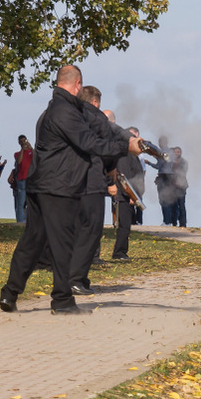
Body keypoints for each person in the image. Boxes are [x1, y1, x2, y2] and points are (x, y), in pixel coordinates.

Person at [0, 65, 141, 315]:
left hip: (44, 184)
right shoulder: (64, 111)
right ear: (78, 84)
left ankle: (9, 294)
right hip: (57, 186)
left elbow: (101, 124)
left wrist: (127, 138)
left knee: (33, 241)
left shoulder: (62, 108)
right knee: (62, 243)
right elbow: (89, 142)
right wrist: (125, 148)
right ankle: (62, 300)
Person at [67, 85, 130, 295]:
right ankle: (76, 279)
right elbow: (108, 146)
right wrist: (111, 173)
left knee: (75, 229)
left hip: (70, 179)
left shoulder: (70, 116)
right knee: (91, 231)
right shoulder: (97, 119)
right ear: (95, 102)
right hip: (92, 179)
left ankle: (76, 277)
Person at [111, 126, 145, 261]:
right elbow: (125, 177)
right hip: (124, 195)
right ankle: (119, 252)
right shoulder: (125, 155)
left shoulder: (132, 155)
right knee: (124, 225)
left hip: (128, 194)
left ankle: (121, 251)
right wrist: (131, 195)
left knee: (126, 225)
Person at [145, 135, 174, 225]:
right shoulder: (171, 152)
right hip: (170, 176)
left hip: (163, 176)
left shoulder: (162, 152)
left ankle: (166, 221)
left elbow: (158, 165)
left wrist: (149, 163)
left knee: (163, 199)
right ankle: (170, 221)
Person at [13, 135, 33, 223]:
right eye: (21, 141)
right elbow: (19, 161)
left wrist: (30, 148)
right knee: (20, 203)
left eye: (24, 141)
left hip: (30, 180)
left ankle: (28, 220)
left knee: (30, 203)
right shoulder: (17, 154)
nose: (23, 143)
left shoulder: (30, 152)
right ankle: (20, 221)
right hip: (21, 180)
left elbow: (37, 157)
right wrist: (22, 150)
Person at [169, 146, 189, 227]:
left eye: (178, 152)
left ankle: (183, 223)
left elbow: (183, 172)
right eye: (175, 152)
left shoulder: (184, 162)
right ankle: (173, 222)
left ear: (181, 153)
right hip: (172, 186)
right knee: (173, 205)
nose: (176, 154)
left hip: (181, 186)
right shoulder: (171, 162)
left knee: (181, 205)